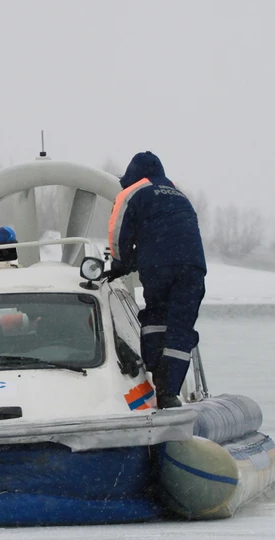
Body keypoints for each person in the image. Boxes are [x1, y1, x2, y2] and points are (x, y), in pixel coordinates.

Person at [106, 151, 206, 409]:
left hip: (159, 266)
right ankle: (169, 391)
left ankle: (154, 374)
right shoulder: (178, 195)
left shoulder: (133, 192)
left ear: (132, 175)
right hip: (193, 267)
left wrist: (120, 264)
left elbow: (120, 231)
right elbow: (173, 234)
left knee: (156, 319)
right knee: (181, 328)